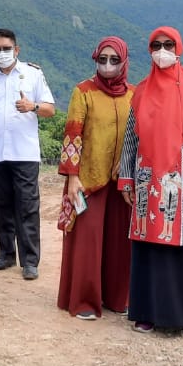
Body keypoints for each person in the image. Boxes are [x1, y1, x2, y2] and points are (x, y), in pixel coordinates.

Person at [117, 26, 183, 338]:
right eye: (156, 45)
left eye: (168, 44)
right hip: (147, 178)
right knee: (149, 246)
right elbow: (130, 141)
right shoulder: (141, 92)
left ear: (179, 49)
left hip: (181, 179)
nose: (162, 50)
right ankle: (147, 313)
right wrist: (126, 180)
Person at [0, 27, 55, 280]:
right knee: (0, 205)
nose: (2, 53)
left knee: (27, 206)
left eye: (6, 48)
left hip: (24, 152)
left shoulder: (33, 74)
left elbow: (50, 109)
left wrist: (32, 106)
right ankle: (5, 254)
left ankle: (30, 261)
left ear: (16, 50)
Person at [56, 36, 134, 320]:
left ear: (124, 62)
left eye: (114, 60)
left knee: (119, 242)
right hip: (88, 178)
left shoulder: (133, 95)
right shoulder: (84, 91)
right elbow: (73, 134)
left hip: (122, 180)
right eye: (103, 60)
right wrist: (72, 176)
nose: (108, 66)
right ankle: (84, 301)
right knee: (87, 240)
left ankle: (116, 298)